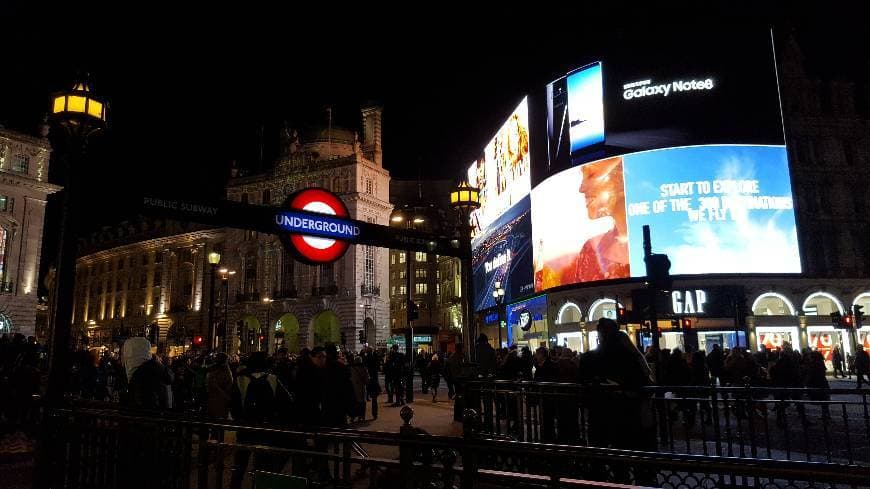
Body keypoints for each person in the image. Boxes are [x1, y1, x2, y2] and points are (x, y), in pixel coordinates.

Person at [123, 337, 173, 410]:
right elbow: (169, 377)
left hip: (143, 410)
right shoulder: (154, 366)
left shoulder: (134, 370)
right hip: (156, 410)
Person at [349, 355, 370, 423]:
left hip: (353, 388)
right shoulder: (364, 368)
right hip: (361, 387)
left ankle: (353, 416)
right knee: (362, 403)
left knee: (354, 402)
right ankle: (362, 416)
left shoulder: (351, 368)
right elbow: (367, 379)